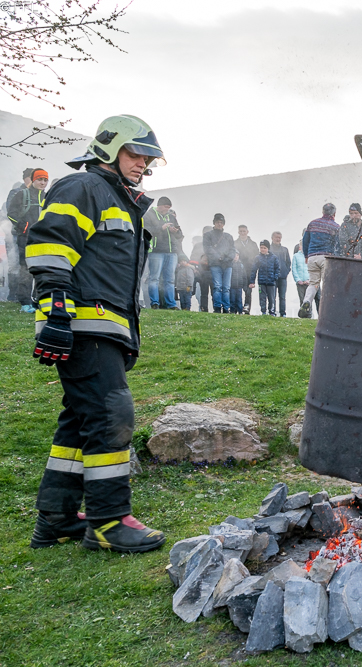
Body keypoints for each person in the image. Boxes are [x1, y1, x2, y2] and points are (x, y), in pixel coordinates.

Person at [25, 114, 166, 553]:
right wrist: (56, 315)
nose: (142, 163)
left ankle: (57, 518)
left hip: (103, 328)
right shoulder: (83, 187)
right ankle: (108, 520)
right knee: (110, 413)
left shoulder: (120, 200)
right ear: (109, 147)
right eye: (135, 153)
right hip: (83, 326)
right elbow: (50, 248)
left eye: (148, 158)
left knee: (80, 420)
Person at [9, 168, 49, 312]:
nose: (42, 183)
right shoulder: (22, 194)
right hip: (25, 238)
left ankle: (37, 300)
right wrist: (23, 226)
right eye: (40, 179)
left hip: (43, 239)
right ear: (33, 180)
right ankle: (25, 302)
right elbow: (11, 213)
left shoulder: (48, 197)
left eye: (45, 180)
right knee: (26, 269)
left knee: (41, 270)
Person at [299, 203, 340, 318]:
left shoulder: (312, 223)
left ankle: (306, 301)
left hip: (312, 257)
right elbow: (338, 245)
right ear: (334, 213)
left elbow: (305, 240)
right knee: (328, 284)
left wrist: (306, 255)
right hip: (327, 258)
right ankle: (327, 310)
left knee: (313, 283)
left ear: (323, 212)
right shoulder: (336, 227)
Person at [143, 196, 183, 310]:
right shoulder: (149, 215)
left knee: (170, 279)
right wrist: (161, 228)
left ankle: (171, 304)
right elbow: (146, 231)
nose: (167, 210)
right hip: (156, 251)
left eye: (169, 207)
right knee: (154, 278)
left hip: (172, 252)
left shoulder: (171, 216)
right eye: (166, 207)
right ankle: (154, 303)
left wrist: (175, 231)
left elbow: (180, 234)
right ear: (159, 205)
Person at [203, 213, 236, 313]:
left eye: (221, 222)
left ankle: (226, 308)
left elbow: (232, 250)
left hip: (227, 265)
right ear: (214, 223)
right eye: (218, 222)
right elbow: (208, 249)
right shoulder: (208, 235)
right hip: (215, 264)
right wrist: (219, 257)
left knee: (226, 287)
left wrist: (226, 258)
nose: (219, 224)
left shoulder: (228, 236)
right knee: (217, 286)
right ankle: (217, 307)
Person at [249, 239, 281, 316]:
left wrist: (275, 277)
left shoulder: (274, 258)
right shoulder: (257, 258)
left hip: (271, 282)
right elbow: (254, 270)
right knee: (262, 297)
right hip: (261, 282)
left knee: (271, 298)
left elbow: (277, 268)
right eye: (261, 247)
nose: (262, 249)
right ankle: (263, 311)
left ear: (268, 248)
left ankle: (271, 311)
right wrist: (252, 281)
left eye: (264, 248)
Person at [234, 224, 257, 312]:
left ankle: (247, 306)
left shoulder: (253, 244)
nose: (242, 233)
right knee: (237, 289)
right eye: (241, 231)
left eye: (244, 231)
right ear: (238, 232)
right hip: (237, 270)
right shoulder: (234, 243)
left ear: (247, 232)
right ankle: (237, 307)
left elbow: (257, 257)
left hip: (249, 269)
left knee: (248, 290)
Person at [270, 231, 291, 317]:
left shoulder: (285, 250)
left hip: (283, 277)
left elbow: (288, 263)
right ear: (272, 238)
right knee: (272, 296)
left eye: (279, 237)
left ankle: (283, 313)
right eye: (276, 237)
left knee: (282, 296)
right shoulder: (269, 249)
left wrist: (286, 271)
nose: (278, 239)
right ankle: (272, 312)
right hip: (272, 277)